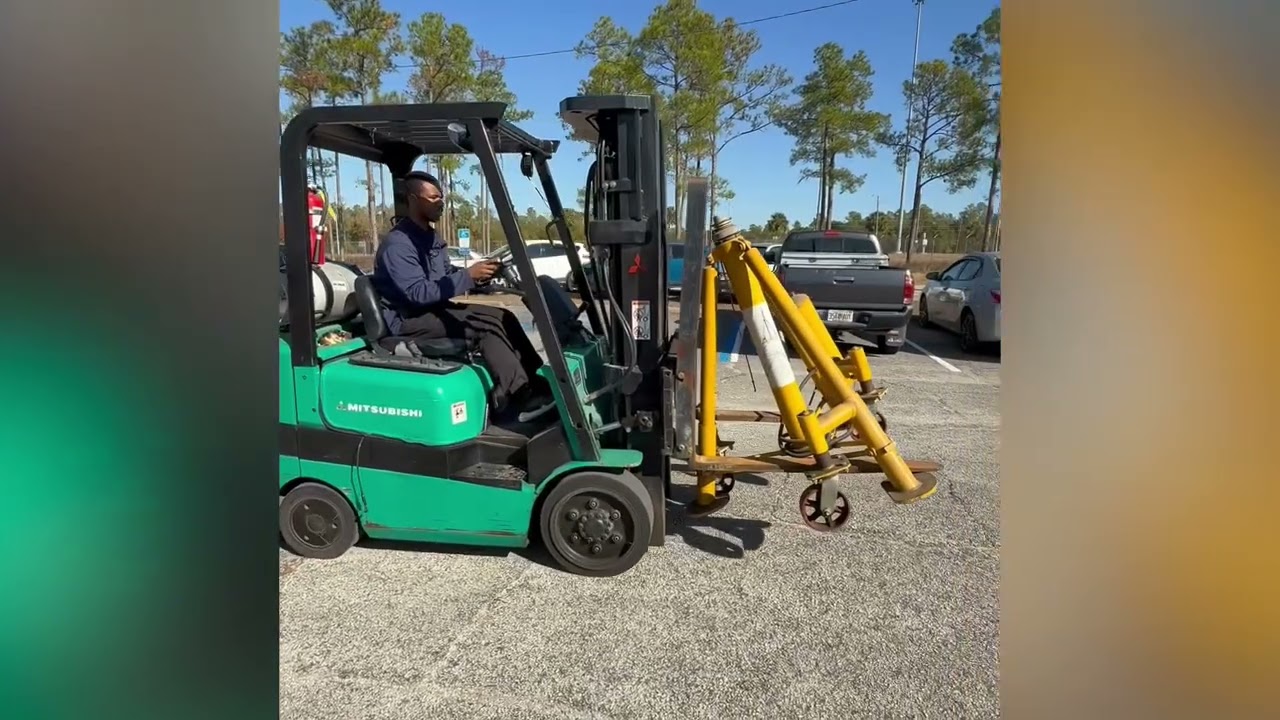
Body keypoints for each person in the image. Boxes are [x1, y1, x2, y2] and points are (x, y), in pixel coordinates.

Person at [370, 171, 549, 415]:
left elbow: (445, 275)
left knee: (503, 316)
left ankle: (535, 380)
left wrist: (481, 276)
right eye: (433, 198)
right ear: (413, 199)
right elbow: (417, 293)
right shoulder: (399, 244)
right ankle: (519, 395)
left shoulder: (429, 237)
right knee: (483, 325)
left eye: (441, 197)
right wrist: (467, 276)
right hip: (407, 320)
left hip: (433, 309)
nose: (441, 203)